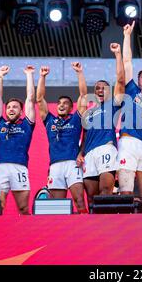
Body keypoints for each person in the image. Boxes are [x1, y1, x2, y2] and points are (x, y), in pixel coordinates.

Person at [76, 43, 125, 207]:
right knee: (91, 198)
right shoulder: (88, 112)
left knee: (105, 192)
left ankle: (107, 228)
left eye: (103, 87)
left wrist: (118, 54)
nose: (99, 90)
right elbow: (82, 95)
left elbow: (120, 79)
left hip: (106, 148)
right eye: (97, 88)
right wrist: (80, 73)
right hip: (89, 154)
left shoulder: (112, 104)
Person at [36, 64, 87, 213]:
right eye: (59, 103)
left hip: (72, 164)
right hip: (55, 166)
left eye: (65, 103)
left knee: (79, 201)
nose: (61, 105)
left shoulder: (76, 119)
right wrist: (42, 76)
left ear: (71, 108)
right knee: (58, 206)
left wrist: (79, 73)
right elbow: (39, 99)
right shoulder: (49, 120)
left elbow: (84, 96)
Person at [116, 21, 142, 212]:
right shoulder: (131, 90)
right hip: (128, 142)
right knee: (125, 190)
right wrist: (127, 36)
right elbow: (127, 63)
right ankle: (125, 222)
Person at [0, 65, 36, 215]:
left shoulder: (27, 124)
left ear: (21, 111)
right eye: (9, 107)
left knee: (23, 209)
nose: (11, 109)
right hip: (0, 168)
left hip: (19, 167)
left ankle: (25, 237)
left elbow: (30, 99)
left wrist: (29, 75)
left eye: (15, 107)